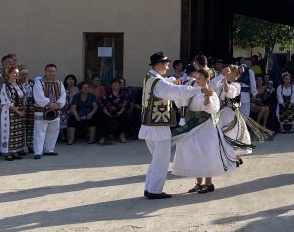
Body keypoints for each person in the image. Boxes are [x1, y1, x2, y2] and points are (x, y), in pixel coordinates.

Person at [139, 52, 210, 199]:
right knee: (161, 160)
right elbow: (174, 91)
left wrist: (172, 80)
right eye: (165, 64)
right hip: (158, 126)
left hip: (150, 125)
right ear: (158, 65)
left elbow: (166, 85)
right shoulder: (158, 82)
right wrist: (198, 90)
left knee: (156, 159)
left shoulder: (149, 77)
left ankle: (149, 188)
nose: (167, 67)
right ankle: (154, 191)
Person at [172, 67, 233, 194]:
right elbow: (181, 101)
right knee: (193, 152)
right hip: (193, 125)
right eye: (196, 78)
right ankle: (199, 183)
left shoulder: (211, 92)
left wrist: (207, 97)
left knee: (206, 153)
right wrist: (176, 88)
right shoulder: (193, 90)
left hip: (206, 126)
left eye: (200, 78)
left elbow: (209, 107)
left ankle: (208, 183)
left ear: (206, 79)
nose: (197, 80)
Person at [32, 64, 66, 159]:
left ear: (56, 72)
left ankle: (49, 150)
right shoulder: (39, 82)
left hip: (55, 111)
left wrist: (58, 104)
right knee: (40, 132)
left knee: (53, 131)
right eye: (49, 71)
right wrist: (50, 104)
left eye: (53, 71)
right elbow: (38, 96)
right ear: (45, 72)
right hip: (41, 111)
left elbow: (63, 95)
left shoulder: (59, 83)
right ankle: (38, 152)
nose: (51, 73)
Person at [0, 64, 27, 161]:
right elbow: (6, 101)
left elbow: (23, 97)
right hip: (9, 112)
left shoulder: (19, 85)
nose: (17, 75)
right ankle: (7, 152)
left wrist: (23, 110)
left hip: (19, 111)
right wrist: (18, 111)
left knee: (17, 132)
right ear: (9, 74)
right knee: (9, 131)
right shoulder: (5, 86)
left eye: (18, 73)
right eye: (15, 73)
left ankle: (15, 151)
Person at [98, 79, 130, 144]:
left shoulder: (123, 93)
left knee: (125, 116)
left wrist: (120, 112)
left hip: (120, 112)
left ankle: (122, 136)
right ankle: (102, 137)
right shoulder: (106, 93)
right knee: (101, 117)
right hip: (108, 112)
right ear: (111, 85)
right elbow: (103, 104)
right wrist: (107, 113)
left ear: (120, 85)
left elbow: (125, 105)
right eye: (114, 83)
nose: (116, 84)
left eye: (117, 83)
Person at [18, 66, 35, 154]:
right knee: (21, 126)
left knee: (30, 126)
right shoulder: (16, 83)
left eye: (26, 74)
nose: (25, 76)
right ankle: (20, 147)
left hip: (31, 105)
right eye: (22, 74)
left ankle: (30, 145)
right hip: (21, 105)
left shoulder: (32, 82)